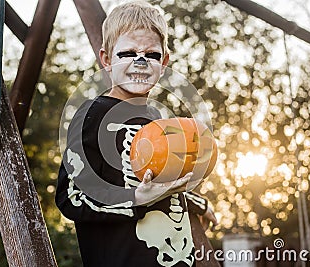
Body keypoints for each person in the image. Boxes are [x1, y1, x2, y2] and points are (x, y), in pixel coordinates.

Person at [55, 2, 217, 266]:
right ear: (107, 60)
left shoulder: (160, 121)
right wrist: (135, 200)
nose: (140, 62)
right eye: (127, 53)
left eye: (151, 54)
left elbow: (161, 186)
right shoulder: (92, 115)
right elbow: (71, 197)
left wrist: (197, 203)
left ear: (164, 63)